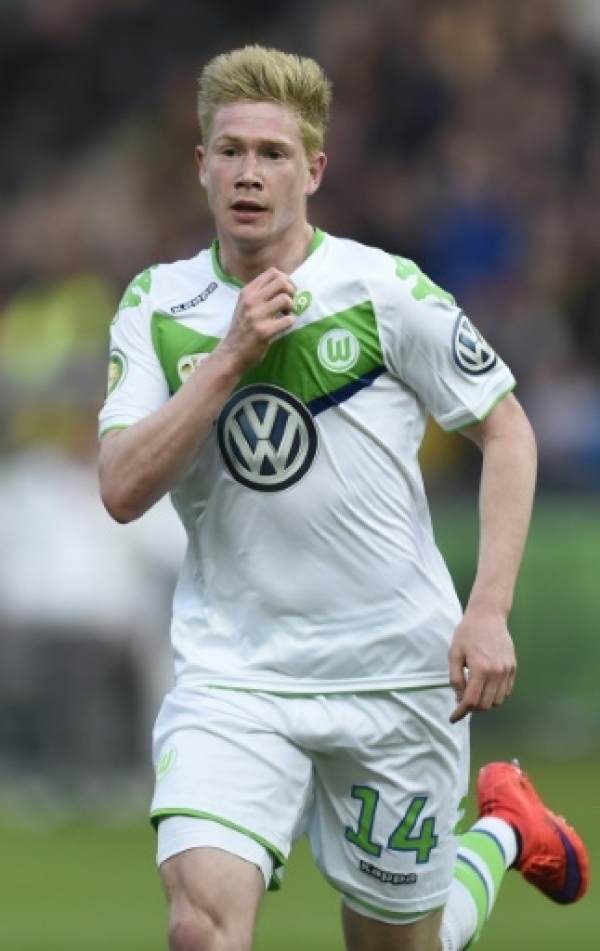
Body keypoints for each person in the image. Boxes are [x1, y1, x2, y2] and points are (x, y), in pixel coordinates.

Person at [98, 45, 589, 951]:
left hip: (394, 674)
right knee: (198, 926)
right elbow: (122, 488)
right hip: (234, 674)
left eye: (274, 154)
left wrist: (488, 609)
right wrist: (229, 361)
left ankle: (506, 831)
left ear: (314, 170)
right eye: (231, 150)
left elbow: (508, 431)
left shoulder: (384, 289)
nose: (250, 173)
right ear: (199, 164)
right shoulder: (158, 305)